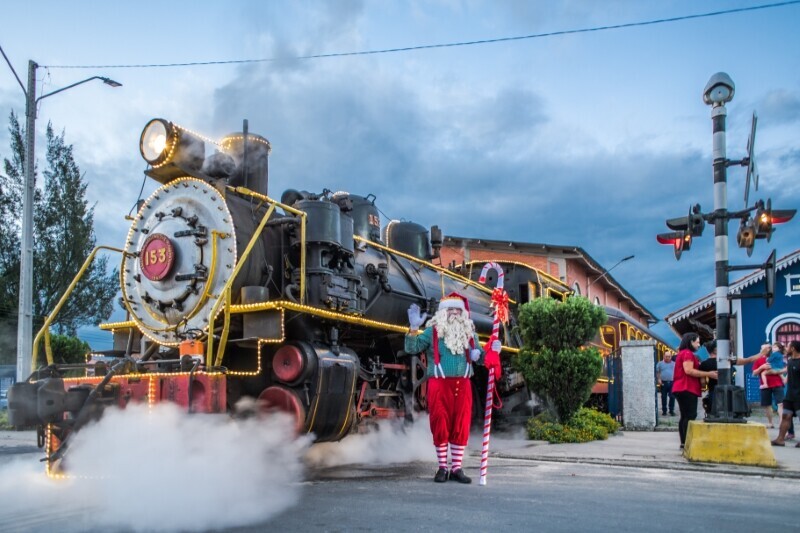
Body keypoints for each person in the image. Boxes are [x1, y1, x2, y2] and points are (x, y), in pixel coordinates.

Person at [405, 293, 501, 484]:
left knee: (461, 424)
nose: (454, 313)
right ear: (442, 312)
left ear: (463, 312)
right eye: (450, 309)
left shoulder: (470, 334)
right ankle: (442, 467)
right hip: (439, 385)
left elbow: (482, 358)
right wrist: (414, 328)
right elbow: (411, 348)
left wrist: (492, 351)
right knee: (440, 423)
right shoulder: (432, 332)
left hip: (463, 385)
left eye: (458, 309)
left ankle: (456, 468)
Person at [672, 332, 717, 449]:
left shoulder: (683, 353)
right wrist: (709, 374)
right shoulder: (687, 353)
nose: (698, 345)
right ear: (691, 342)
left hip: (681, 387)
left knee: (684, 416)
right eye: (697, 342)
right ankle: (687, 442)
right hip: (686, 387)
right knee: (690, 415)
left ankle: (683, 442)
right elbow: (689, 370)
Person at [770, 340, 800, 447]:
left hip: (798, 397)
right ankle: (780, 439)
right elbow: (784, 373)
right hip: (790, 396)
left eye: (788, 346)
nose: (786, 348)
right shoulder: (790, 361)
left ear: (793, 349)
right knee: (786, 416)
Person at [752, 343, 785, 428]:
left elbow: (783, 369)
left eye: (765, 348)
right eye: (761, 349)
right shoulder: (758, 360)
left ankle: (782, 422)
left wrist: (777, 372)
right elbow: (754, 373)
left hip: (777, 384)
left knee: (780, 404)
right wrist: (761, 367)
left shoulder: (776, 357)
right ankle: (770, 423)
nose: (762, 350)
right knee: (767, 405)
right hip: (765, 385)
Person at [699, 341, 718, 417]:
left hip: (712, 391)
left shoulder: (704, 364)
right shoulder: (726, 362)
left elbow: (702, 382)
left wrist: (705, 385)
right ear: (715, 350)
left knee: (712, 414)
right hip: (728, 392)